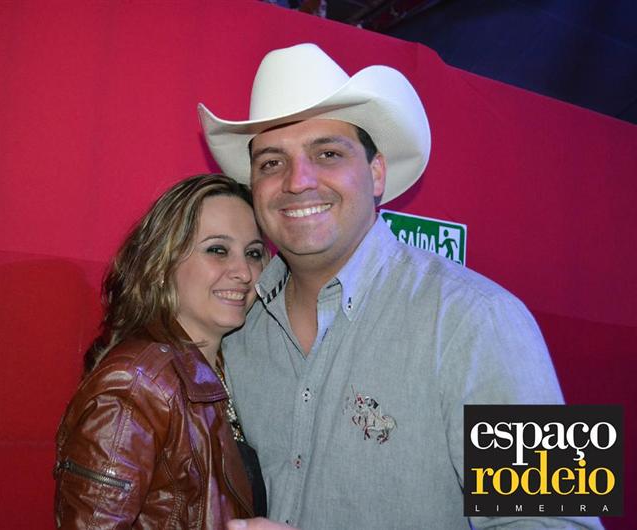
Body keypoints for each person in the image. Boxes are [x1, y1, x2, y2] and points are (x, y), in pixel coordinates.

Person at [197, 44, 603, 529]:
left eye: (327, 153)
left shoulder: (483, 317)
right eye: (271, 163)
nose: (298, 180)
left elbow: (565, 523)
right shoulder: (238, 329)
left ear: (376, 174)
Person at [53, 174, 268, 529]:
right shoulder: (135, 385)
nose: (244, 272)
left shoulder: (233, 368)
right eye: (217, 250)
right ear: (164, 262)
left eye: (254, 253)